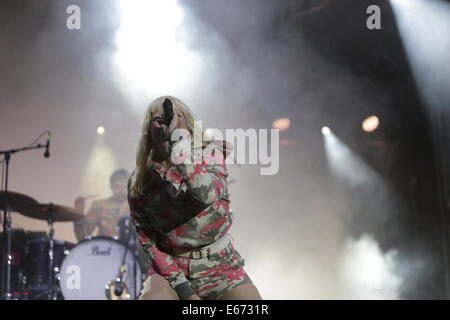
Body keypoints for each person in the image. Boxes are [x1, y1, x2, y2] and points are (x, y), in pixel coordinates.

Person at [128, 95, 262, 300]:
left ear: (188, 125)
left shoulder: (210, 155)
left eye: (175, 116)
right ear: (149, 130)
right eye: (160, 119)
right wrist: (185, 291)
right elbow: (148, 241)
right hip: (173, 270)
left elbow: (205, 195)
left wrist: (179, 148)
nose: (168, 122)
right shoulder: (140, 181)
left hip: (221, 266)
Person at [73, 169, 130, 241]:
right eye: (117, 186)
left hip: (132, 250)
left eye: (124, 186)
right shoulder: (99, 205)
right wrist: (78, 215)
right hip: (105, 249)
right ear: (111, 187)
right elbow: (83, 237)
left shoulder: (138, 207)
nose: (121, 190)